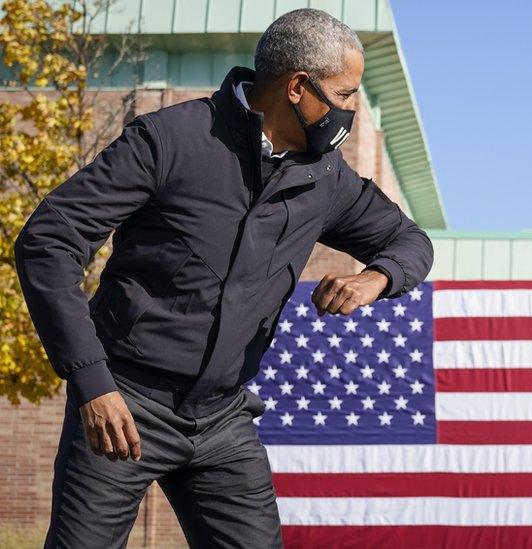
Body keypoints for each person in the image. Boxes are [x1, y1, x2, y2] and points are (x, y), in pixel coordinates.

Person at [15, 9, 433, 548]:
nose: (352, 107)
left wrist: (376, 278)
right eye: (346, 93)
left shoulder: (326, 177)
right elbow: (48, 240)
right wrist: (92, 382)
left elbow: (410, 242)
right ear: (298, 87)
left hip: (223, 419)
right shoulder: (170, 140)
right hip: (124, 404)